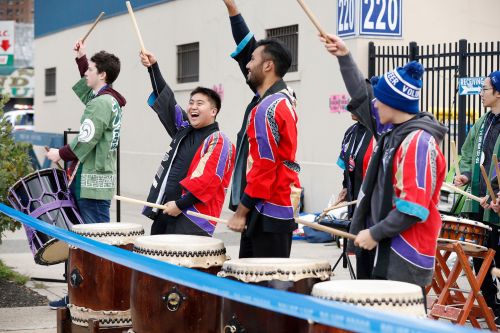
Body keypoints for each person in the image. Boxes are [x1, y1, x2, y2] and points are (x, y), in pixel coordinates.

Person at [321, 34, 447, 289]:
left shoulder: (417, 143)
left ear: (394, 103)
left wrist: (374, 233)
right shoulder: (391, 132)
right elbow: (362, 94)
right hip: (380, 246)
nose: (374, 103)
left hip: (403, 254)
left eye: (380, 99)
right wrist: (344, 56)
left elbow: (413, 208)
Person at [46, 40, 125, 309]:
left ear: (102, 74)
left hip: (90, 182)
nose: (86, 73)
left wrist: (61, 154)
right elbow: (86, 91)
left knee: (91, 245)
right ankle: (84, 296)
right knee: (92, 242)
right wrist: (82, 57)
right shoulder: (106, 100)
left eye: (90, 69)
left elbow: (86, 139)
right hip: (96, 180)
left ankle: (91, 297)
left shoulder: (102, 103)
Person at [222, 0, 301, 258]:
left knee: (263, 288)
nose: (246, 64)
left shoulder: (268, 107)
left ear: (268, 66)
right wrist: (233, 10)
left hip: (268, 209)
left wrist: (241, 210)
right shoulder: (280, 98)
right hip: (270, 207)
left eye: (253, 60)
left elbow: (264, 164)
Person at [140, 50, 235, 237]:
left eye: (200, 103)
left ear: (214, 111)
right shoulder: (183, 129)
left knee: (182, 265)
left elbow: (207, 182)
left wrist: (180, 204)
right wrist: (153, 68)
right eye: (191, 102)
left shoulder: (219, 141)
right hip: (166, 209)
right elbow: (167, 102)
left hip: (192, 217)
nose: (193, 107)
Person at [454, 70, 500, 320]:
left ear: (498, 92)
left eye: (485, 88)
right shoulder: (483, 122)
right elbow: (469, 152)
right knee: (480, 257)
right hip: (480, 202)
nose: (481, 93)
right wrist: (463, 174)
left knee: (498, 257)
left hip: (497, 202)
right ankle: (491, 304)